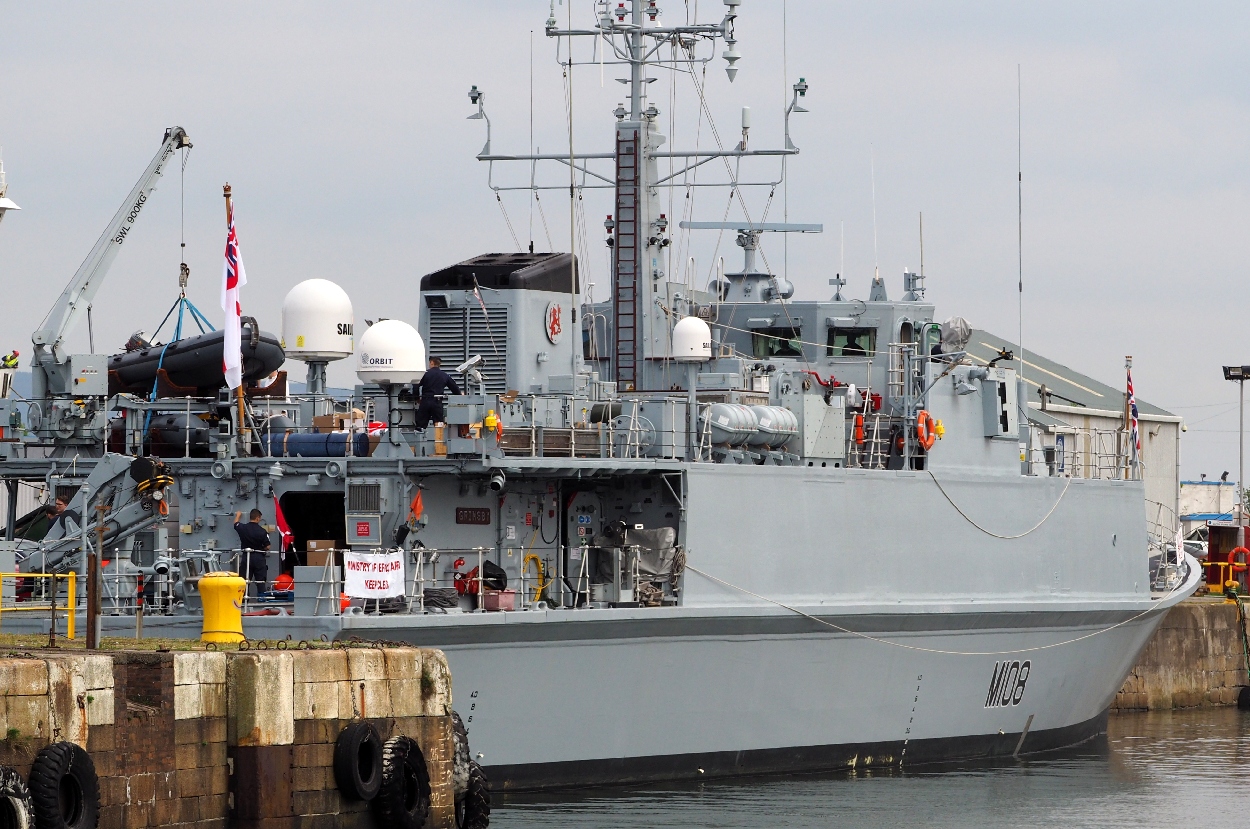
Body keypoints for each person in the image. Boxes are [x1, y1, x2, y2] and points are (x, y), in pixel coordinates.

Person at [413, 357, 461, 430]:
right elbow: (455, 389)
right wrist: (460, 396)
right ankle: (439, 436)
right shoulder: (444, 375)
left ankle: (420, 435)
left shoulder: (425, 374)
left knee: (420, 425)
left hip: (425, 401)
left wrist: (417, 398)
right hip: (437, 402)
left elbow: (416, 386)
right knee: (439, 425)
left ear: (432, 362)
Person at [233, 509, 272, 595]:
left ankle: (244, 599)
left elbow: (236, 523)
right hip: (259, 557)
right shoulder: (262, 531)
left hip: (246, 557)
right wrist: (262, 549)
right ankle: (261, 598)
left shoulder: (243, 528)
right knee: (260, 581)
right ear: (258, 518)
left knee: (244, 580)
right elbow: (268, 546)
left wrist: (238, 515)